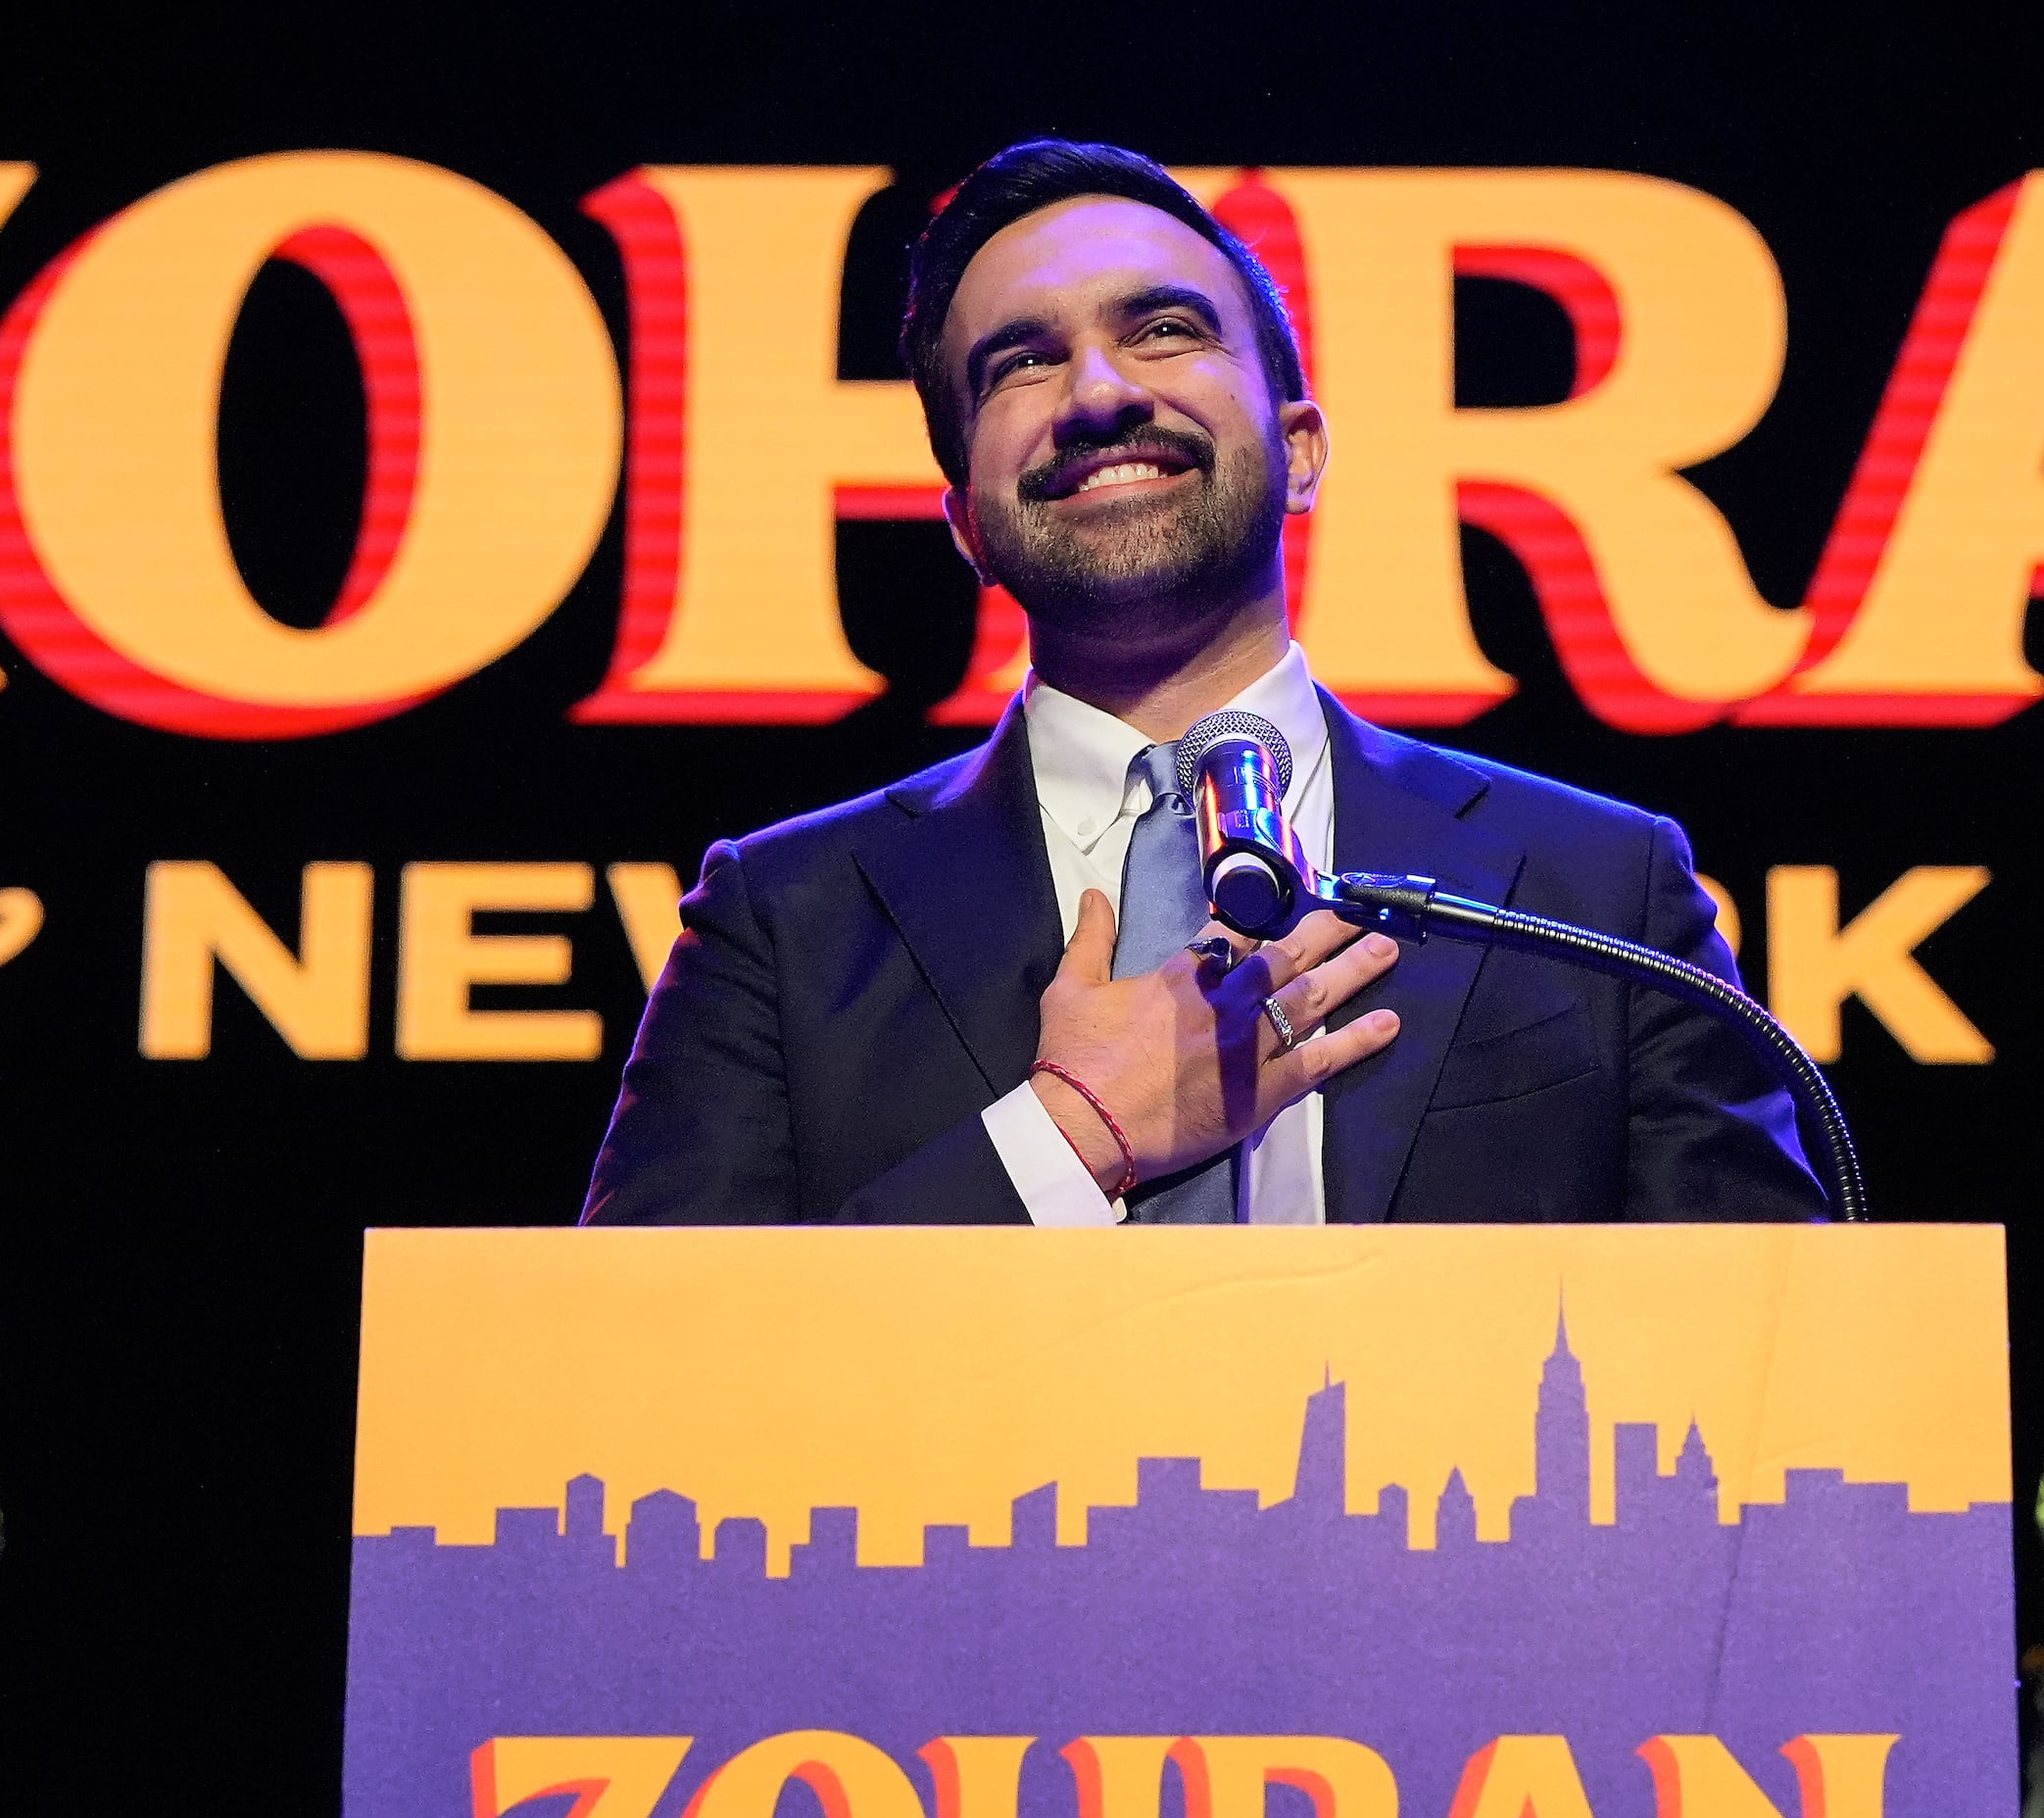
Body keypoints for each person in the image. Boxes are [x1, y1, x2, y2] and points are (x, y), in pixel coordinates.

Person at [581, 139, 1824, 1227]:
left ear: (1298, 451)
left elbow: (1768, 1381)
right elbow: (641, 1377)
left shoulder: (1600, 889)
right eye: (1021, 363)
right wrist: (1067, 1142)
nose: (1102, 394)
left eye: (1163, 329)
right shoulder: (783, 924)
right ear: (964, 519)